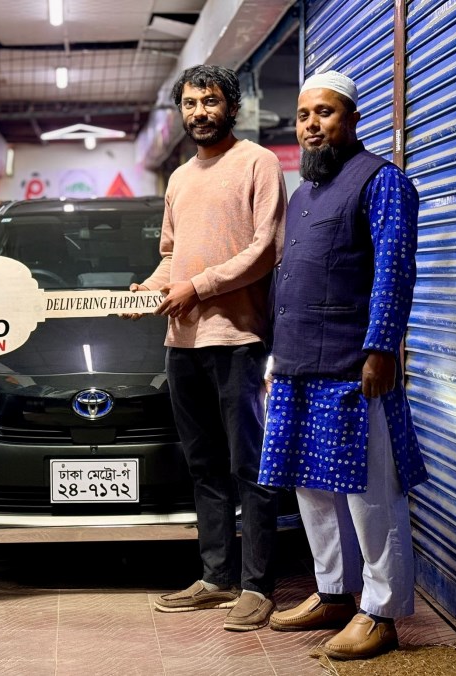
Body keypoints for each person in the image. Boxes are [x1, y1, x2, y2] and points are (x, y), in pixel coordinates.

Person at [260, 71, 428, 660]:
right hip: (298, 365)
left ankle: (380, 612)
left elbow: (394, 269)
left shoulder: (382, 181)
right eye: (304, 115)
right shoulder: (303, 193)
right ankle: (333, 591)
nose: (312, 125)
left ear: (352, 119)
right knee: (311, 487)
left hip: (354, 366)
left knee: (370, 494)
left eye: (325, 113)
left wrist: (382, 348)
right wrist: (276, 357)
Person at [130, 64, 287, 631]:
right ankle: (217, 578)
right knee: (203, 466)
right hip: (183, 342)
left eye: (210, 101)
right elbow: (171, 255)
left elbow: (266, 248)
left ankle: (258, 585)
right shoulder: (178, 178)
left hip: (238, 341)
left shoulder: (258, 163)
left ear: (232, 107)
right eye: (191, 103)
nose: (200, 112)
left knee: (250, 464)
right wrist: (148, 290)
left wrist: (197, 287)